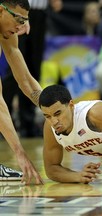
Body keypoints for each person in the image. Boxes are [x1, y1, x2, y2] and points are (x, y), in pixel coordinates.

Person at [2, 0, 62, 138]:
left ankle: (27, 123)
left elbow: (26, 79)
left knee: (32, 69)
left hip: (35, 11)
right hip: (15, 9)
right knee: (14, 72)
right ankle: (6, 123)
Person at [0, 0, 43, 184]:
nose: (21, 27)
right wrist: (19, 152)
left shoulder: (7, 31)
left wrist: (60, 113)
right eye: (18, 19)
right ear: (1, 11)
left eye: (24, 21)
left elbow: (25, 81)